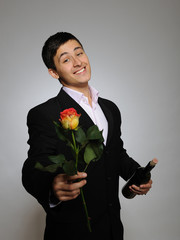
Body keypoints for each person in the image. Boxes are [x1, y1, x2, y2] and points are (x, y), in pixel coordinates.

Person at [22, 32, 152, 240]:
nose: (77, 62)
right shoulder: (43, 113)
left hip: (112, 229)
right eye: (66, 59)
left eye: (79, 53)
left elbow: (115, 153)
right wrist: (51, 186)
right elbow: (34, 166)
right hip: (71, 232)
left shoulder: (110, 109)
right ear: (54, 73)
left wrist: (136, 174)